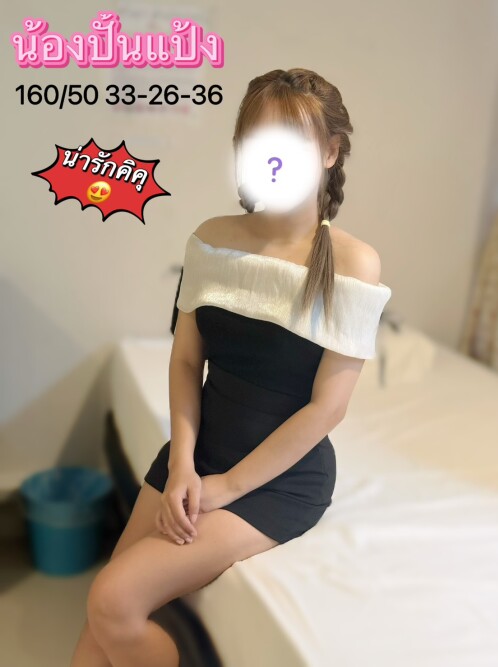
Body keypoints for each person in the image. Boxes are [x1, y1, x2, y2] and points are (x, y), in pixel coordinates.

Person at [70, 68, 392, 667]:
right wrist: (184, 465)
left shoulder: (354, 263)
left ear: (330, 151)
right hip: (198, 455)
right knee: (98, 632)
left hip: (277, 480)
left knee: (111, 601)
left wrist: (226, 487)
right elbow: (185, 359)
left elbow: (328, 409)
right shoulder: (212, 239)